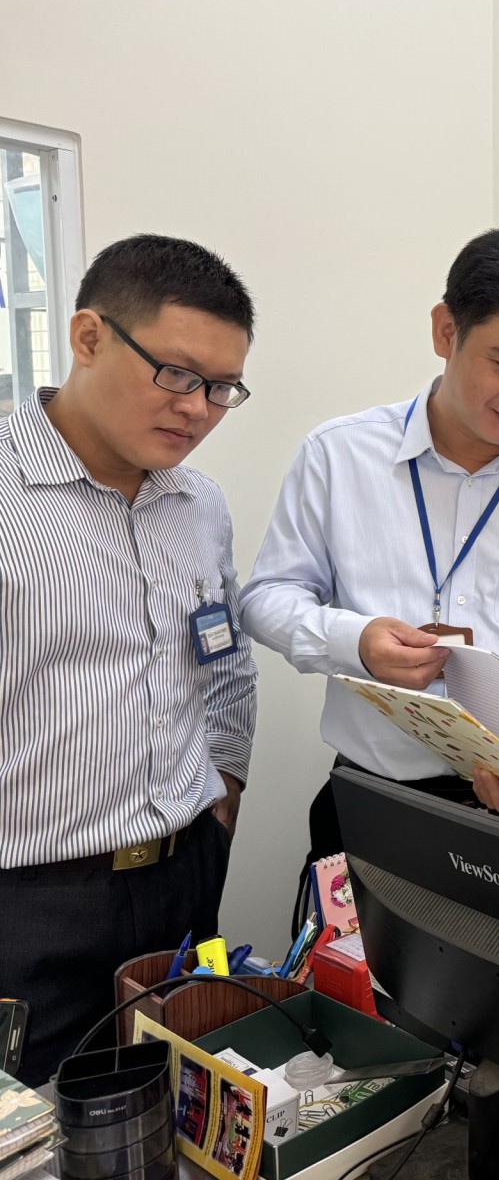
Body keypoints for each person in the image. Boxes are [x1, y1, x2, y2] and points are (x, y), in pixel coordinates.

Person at [241, 228, 499, 863]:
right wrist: (354, 641)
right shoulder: (338, 456)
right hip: (374, 803)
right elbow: (267, 597)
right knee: (352, 934)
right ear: (446, 331)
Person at [0, 235, 258, 1085]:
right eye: (177, 374)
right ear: (88, 337)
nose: (198, 409)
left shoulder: (200, 504)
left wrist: (221, 797)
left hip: (183, 881)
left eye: (222, 388)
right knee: (36, 1132)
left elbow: (225, 666)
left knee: (178, 1110)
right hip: (32, 902)